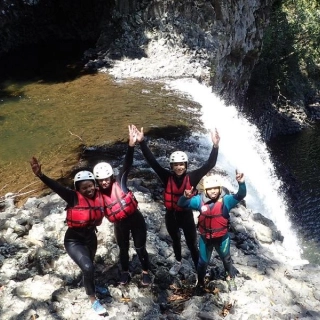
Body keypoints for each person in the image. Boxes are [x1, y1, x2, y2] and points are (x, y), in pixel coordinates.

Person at [132, 125, 220, 276]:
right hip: (171, 215)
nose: (179, 167)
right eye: (176, 165)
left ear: (186, 165)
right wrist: (142, 142)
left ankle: (199, 267)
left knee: (192, 244)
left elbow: (209, 164)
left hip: (186, 215)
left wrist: (215, 145)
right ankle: (178, 262)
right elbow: (152, 162)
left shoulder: (192, 177)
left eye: (181, 164)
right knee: (175, 240)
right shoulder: (166, 177)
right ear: (171, 166)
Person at [30, 157, 108, 315]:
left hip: (91, 237)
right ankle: (93, 300)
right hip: (74, 240)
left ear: (94, 184)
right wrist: (40, 175)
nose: (88, 189)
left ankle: (88, 282)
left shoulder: (100, 195)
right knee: (87, 266)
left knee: (89, 266)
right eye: (84, 188)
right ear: (78, 190)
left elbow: (115, 182)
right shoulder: (73, 197)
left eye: (90, 186)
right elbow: (56, 187)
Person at [93, 125, 151, 286]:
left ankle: (145, 271)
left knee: (140, 248)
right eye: (101, 180)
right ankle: (125, 272)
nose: (104, 182)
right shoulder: (97, 194)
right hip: (119, 224)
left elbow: (127, 163)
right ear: (97, 181)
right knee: (123, 249)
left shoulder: (120, 182)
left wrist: (131, 145)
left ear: (111, 177)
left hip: (136, 219)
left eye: (106, 178)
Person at [177, 171, 246, 294]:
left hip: (222, 238)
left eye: (216, 188)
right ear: (205, 190)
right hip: (206, 239)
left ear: (220, 188)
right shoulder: (199, 201)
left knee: (227, 259)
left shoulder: (227, 200)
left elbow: (241, 195)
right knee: (202, 263)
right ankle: (201, 282)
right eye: (210, 189)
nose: (213, 191)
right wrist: (185, 197)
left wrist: (241, 184)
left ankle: (229, 276)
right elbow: (181, 204)